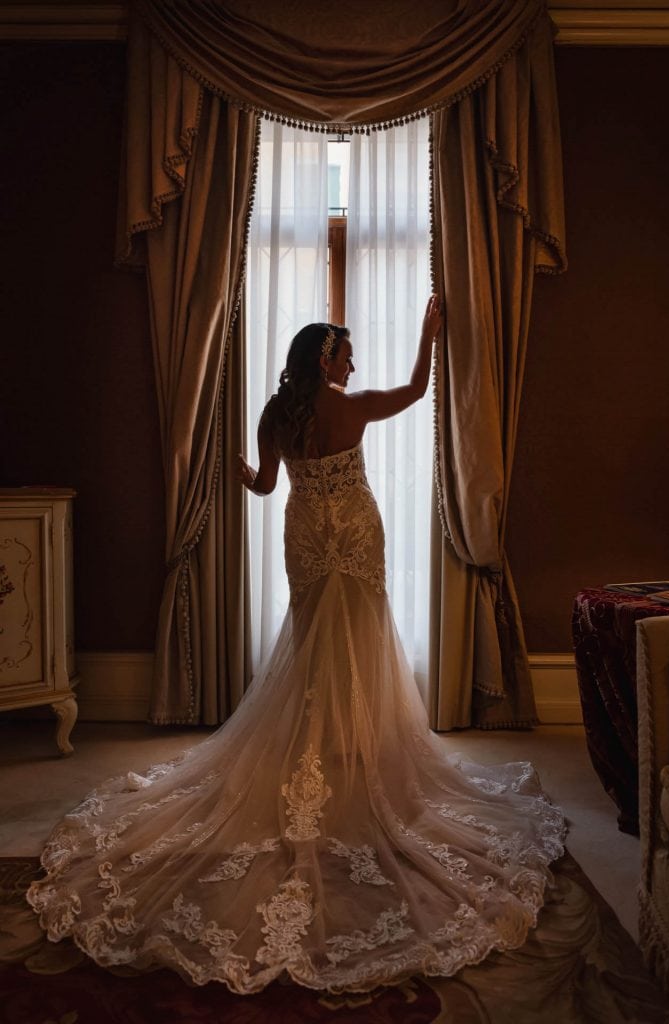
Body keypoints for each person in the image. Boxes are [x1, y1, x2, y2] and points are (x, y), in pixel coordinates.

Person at [27, 296, 565, 995]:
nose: (352, 361)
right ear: (323, 357)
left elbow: (265, 486)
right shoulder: (352, 404)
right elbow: (417, 390)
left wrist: (245, 476)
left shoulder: (276, 415)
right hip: (355, 531)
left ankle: (319, 743)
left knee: (313, 640)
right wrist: (428, 334)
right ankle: (349, 751)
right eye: (345, 351)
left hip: (306, 533)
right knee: (359, 637)